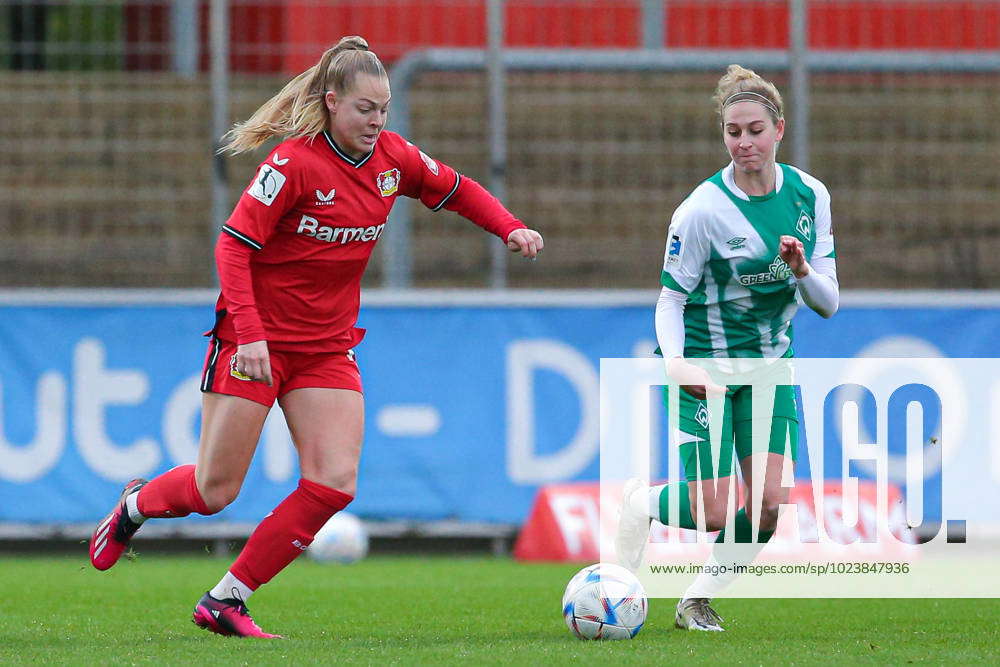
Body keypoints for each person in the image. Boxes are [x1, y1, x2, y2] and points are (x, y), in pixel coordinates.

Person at [88, 35, 544, 638]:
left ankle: (227, 599)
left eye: (384, 109)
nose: (377, 121)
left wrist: (509, 227)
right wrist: (249, 334)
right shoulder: (291, 164)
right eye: (365, 109)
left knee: (334, 481)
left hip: (325, 348)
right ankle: (135, 506)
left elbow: (456, 189)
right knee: (213, 490)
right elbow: (232, 246)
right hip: (253, 343)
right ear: (331, 102)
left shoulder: (392, 159)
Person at [615, 64, 838, 631]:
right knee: (712, 509)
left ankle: (695, 601)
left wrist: (801, 268)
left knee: (767, 504)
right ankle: (640, 504)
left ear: (779, 130)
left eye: (755, 130)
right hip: (705, 367)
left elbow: (829, 302)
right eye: (733, 132)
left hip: (769, 366)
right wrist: (676, 363)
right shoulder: (701, 211)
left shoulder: (811, 194)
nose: (744, 143)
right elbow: (669, 299)